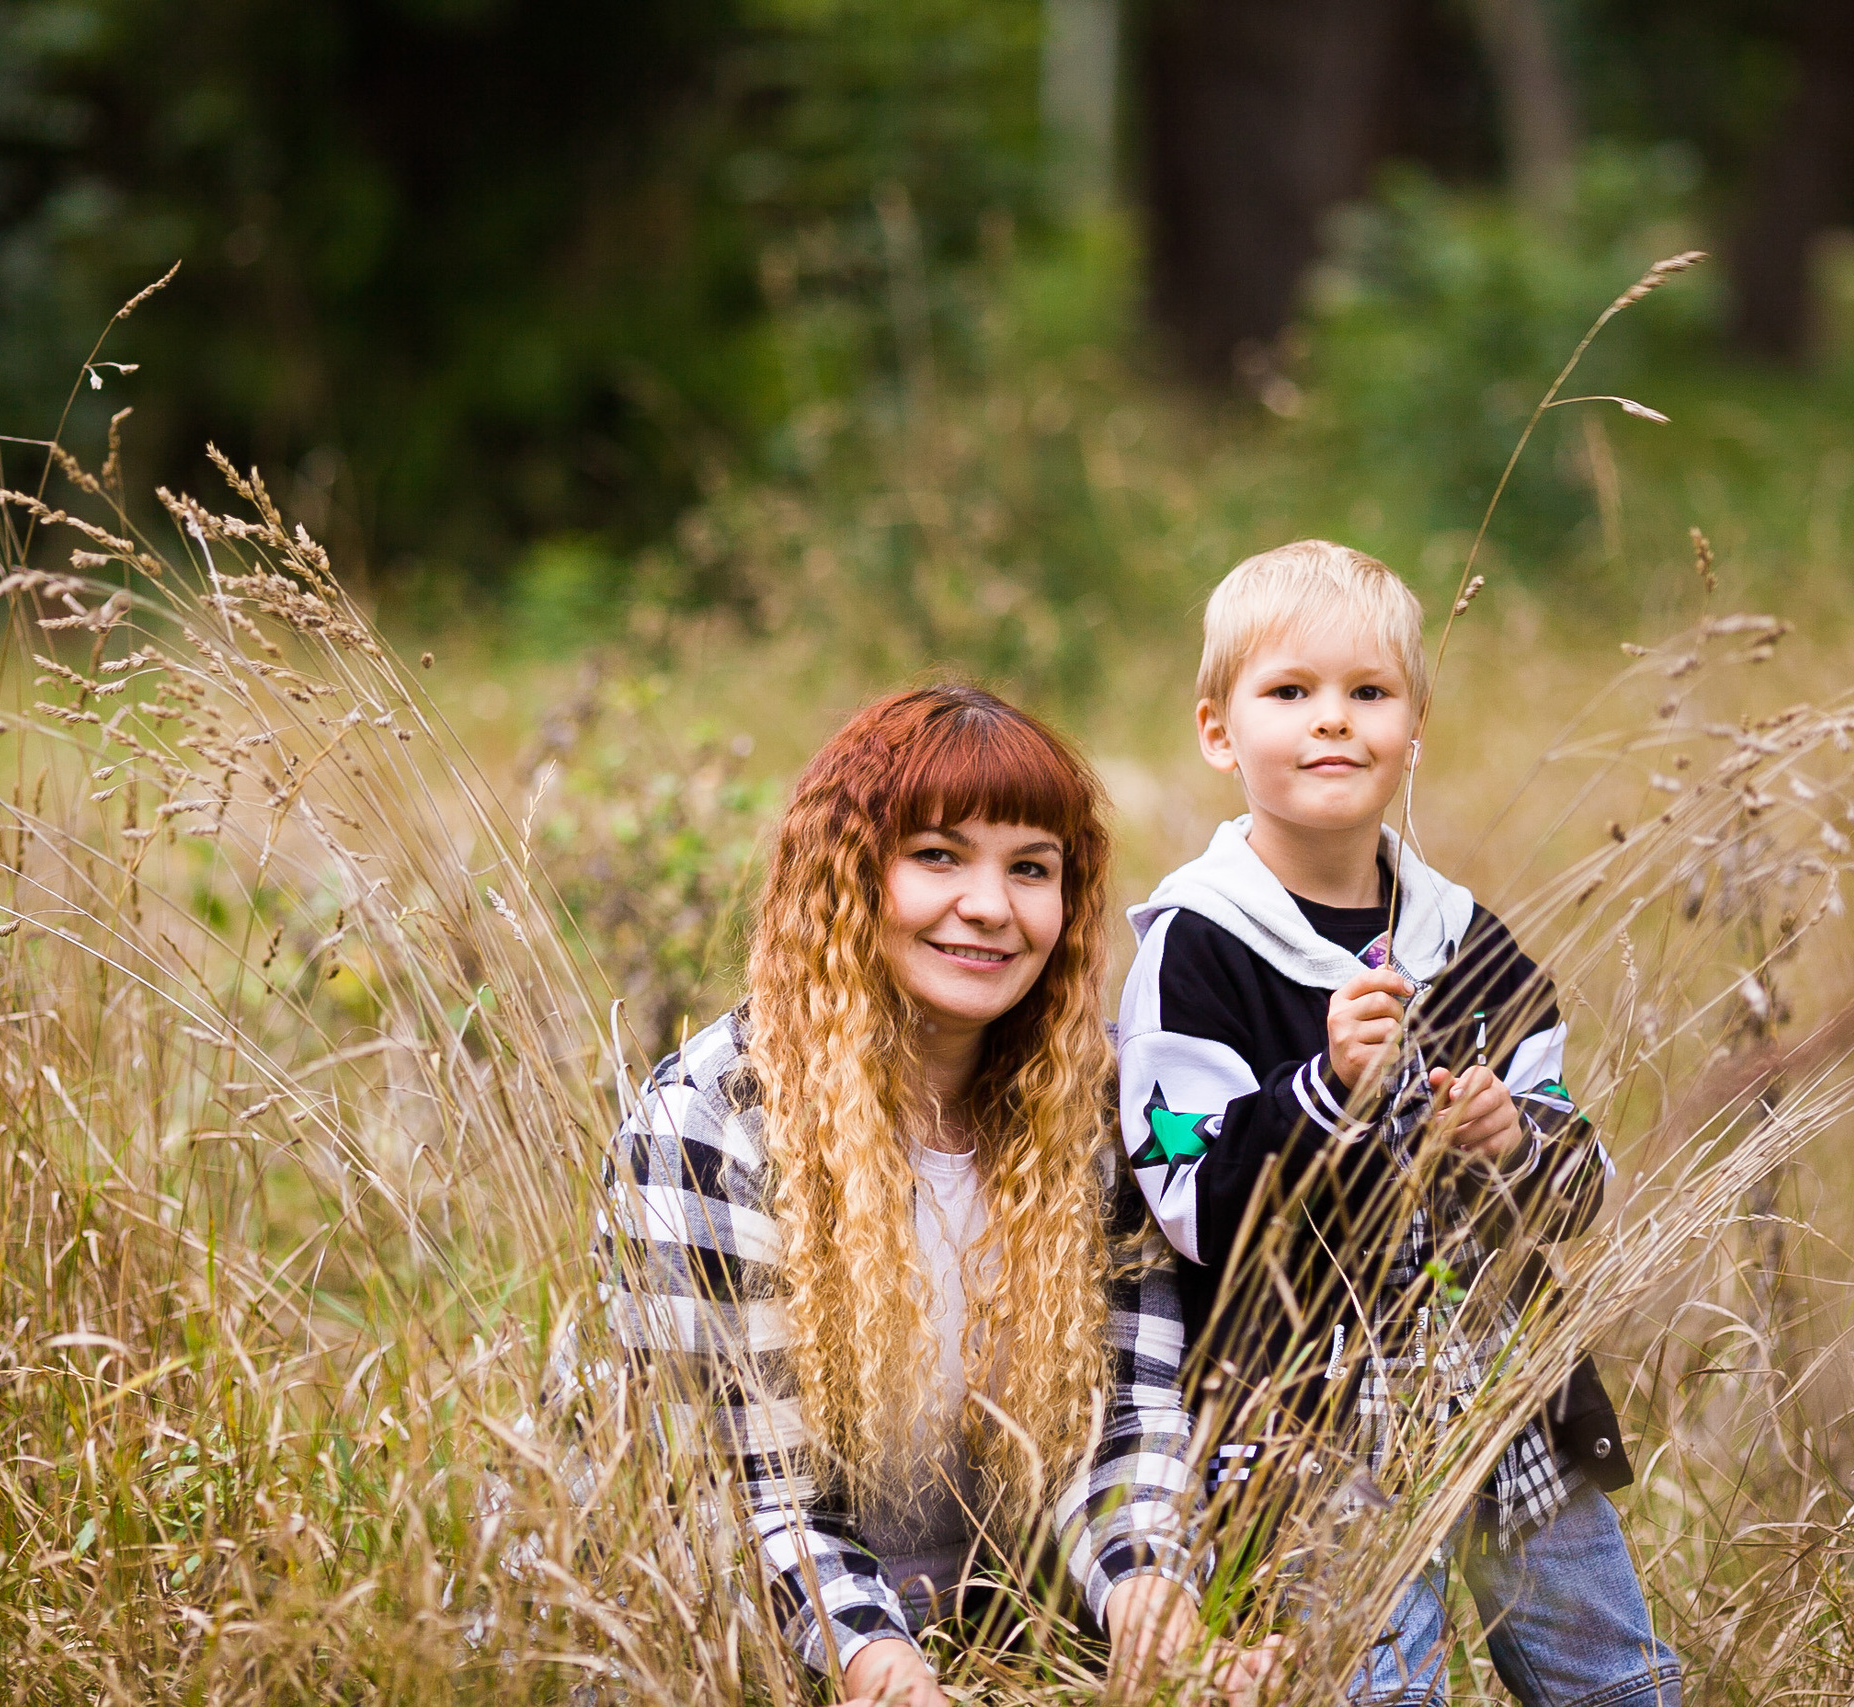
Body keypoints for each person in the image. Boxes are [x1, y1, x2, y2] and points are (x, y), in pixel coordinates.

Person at [1114, 541, 1681, 1706]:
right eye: (1290, 693)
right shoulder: (1198, 948)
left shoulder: (1471, 943)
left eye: (1367, 693)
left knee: (1609, 1678)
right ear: (1220, 732)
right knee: (1376, 1686)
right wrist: (1317, 1090)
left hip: (1501, 1391)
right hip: (1304, 1427)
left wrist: (1511, 1139)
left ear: (1412, 728)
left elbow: (1580, 1176)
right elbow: (1178, 1183)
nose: (1333, 722)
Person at [601, 684, 1213, 1707]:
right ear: (848, 876)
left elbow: (1126, 1421)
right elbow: (750, 1495)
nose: (990, 906)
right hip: (748, 1648)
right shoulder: (711, 1122)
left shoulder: (1102, 1108)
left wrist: (1153, 1606)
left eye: (1031, 869)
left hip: (1012, 1631)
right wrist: (887, 1669)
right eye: (938, 856)